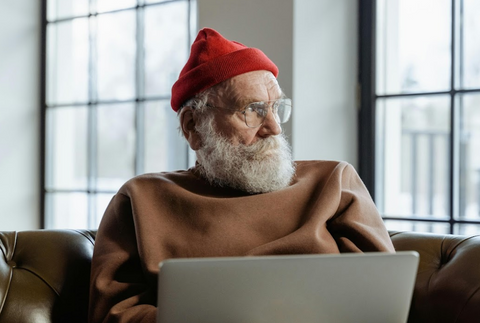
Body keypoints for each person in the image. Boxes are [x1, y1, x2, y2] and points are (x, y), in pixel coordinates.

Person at [88, 27, 395, 323]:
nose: (274, 127)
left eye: (278, 108)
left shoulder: (334, 181)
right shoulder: (141, 199)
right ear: (193, 126)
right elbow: (114, 315)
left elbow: (386, 297)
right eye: (252, 110)